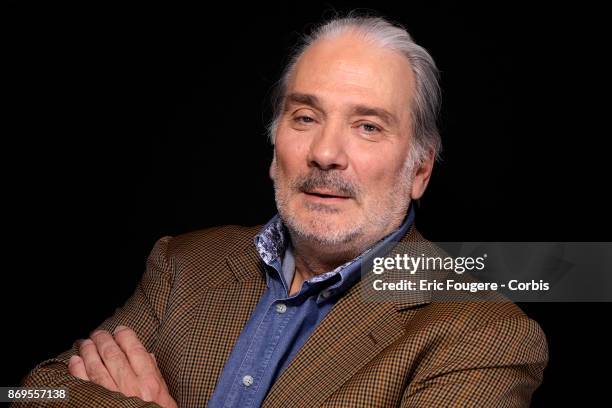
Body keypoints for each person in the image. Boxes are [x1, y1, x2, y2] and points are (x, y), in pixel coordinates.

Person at [17, 13, 548, 407]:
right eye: (304, 117)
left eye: (368, 126)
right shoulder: (184, 263)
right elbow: (34, 392)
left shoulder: (481, 332)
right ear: (275, 150)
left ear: (419, 172)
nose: (325, 153)